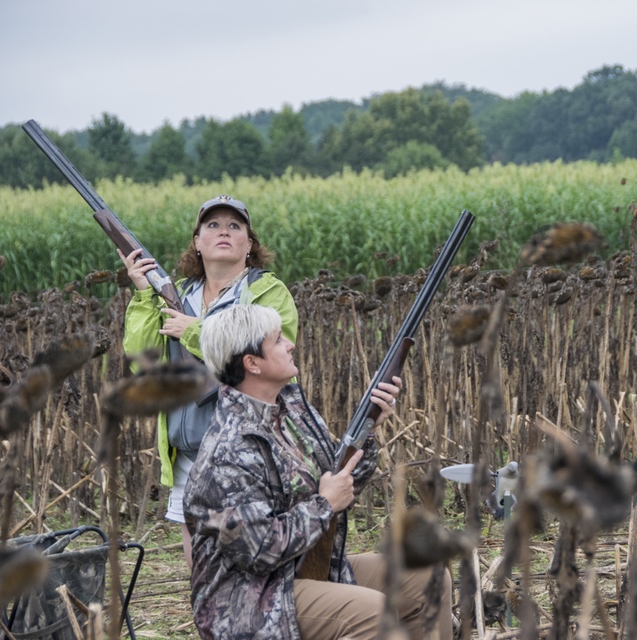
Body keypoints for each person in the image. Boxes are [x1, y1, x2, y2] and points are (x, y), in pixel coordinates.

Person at [185, 304, 453, 640]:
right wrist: (324, 505)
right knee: (372, 614)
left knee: (429, 577)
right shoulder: (229, 448)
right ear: (251, 363)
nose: (290, 344)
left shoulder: (292, 411)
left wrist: (368, 430)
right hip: (247, 601)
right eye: (278, 340)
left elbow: (342, 480)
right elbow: (258, 551)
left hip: (301, 571)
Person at [120, 195, 298, 567]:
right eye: (212, 226)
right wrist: (141, 293)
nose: (224, 232)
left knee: (248, 552)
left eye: (235, 227)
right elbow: (142, 362)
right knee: (198, 560)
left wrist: (194, 331)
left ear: (249, 245)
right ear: (197, 243)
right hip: (189, 450)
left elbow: (267, 358)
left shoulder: (267, 292)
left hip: (245, 447)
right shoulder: (176, 294)